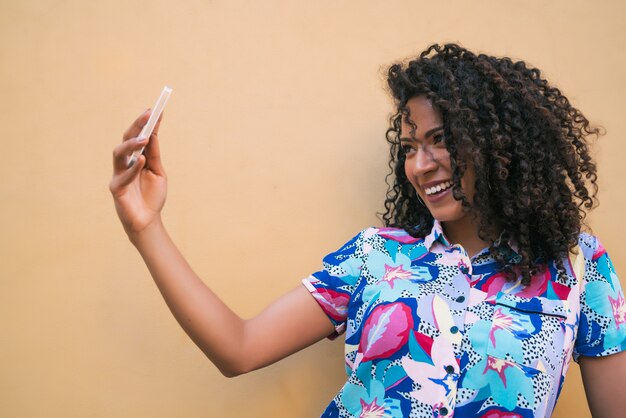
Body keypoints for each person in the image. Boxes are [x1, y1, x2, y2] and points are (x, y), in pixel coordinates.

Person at [110, 43, 626, 417]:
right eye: (408, 148)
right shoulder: (377, 256)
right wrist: (146, 227)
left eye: (440, 140)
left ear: (499, 144)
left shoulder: (578, 266)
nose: (420, 166)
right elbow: (239, 348)